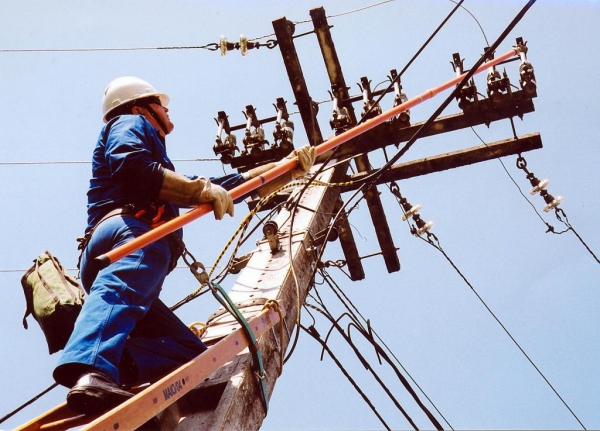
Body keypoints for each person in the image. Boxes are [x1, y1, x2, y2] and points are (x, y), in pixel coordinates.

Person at [53, 76, 315, 415]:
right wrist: (196, 191)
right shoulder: (130, 122)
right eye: (160, 105)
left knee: (191, 357)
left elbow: (226, 186)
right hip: (129, 234)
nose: (167, 110)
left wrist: (285, 169)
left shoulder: (156, 157)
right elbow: (132, 166)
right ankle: (92, 368)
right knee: (121, 290)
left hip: (125, 244)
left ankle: (118, 370)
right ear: (140, 108)